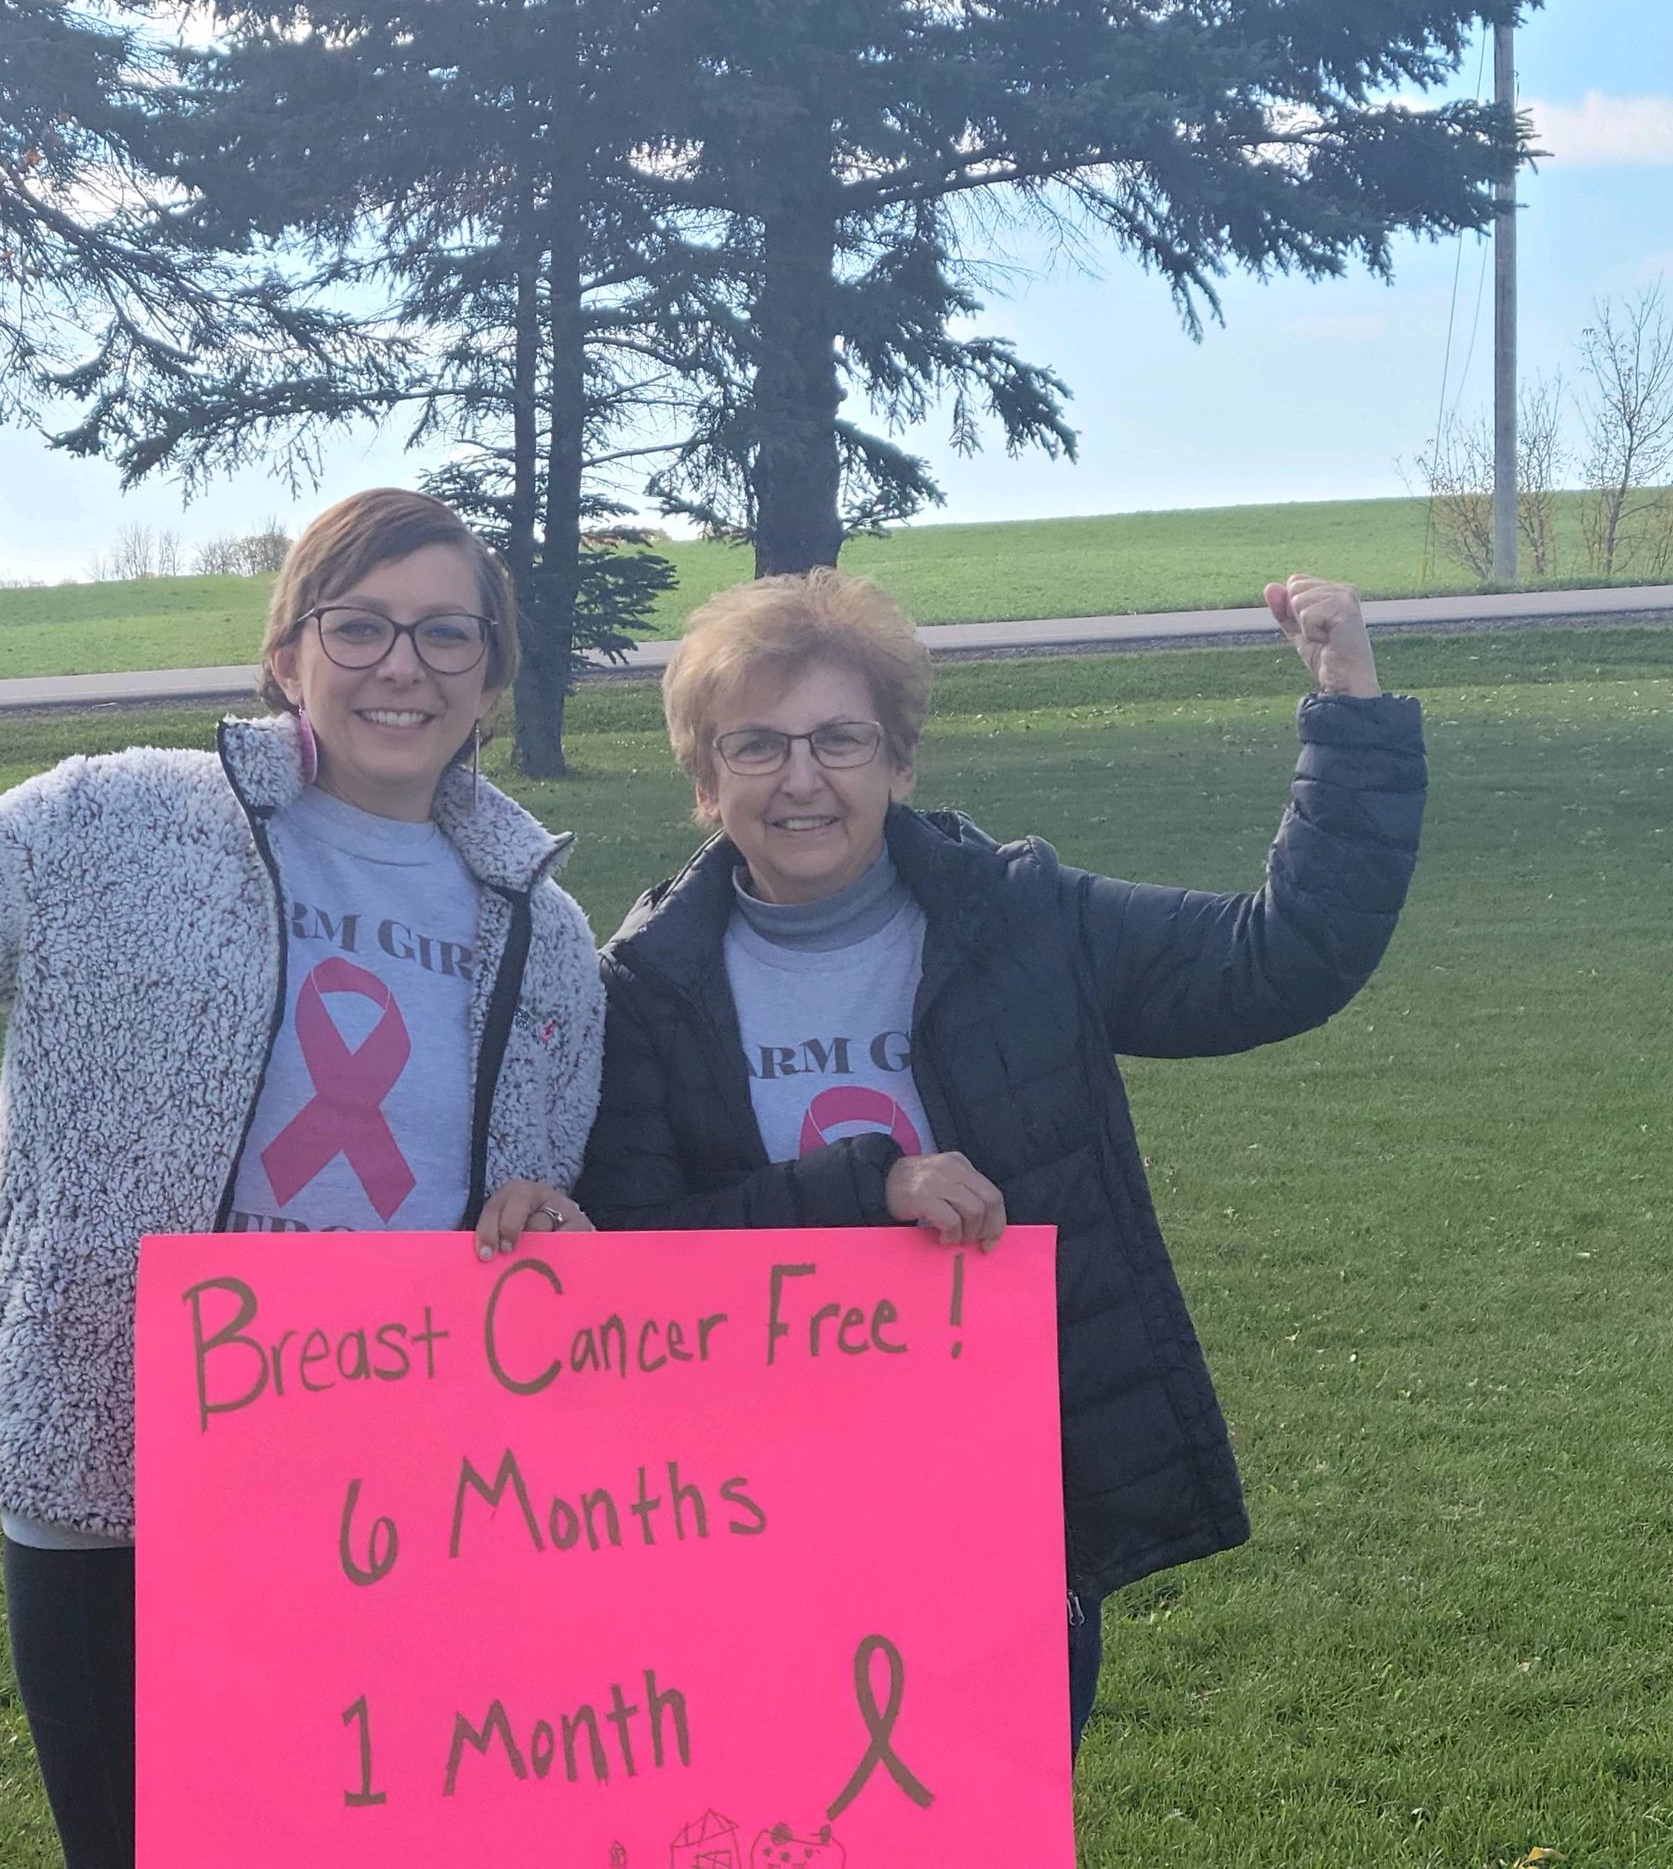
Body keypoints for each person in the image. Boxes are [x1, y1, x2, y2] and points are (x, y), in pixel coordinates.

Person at [0, 488, 605, 1867]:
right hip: (120, 1481)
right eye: (362, 627)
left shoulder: (546, 931)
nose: (404, 666)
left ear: (493, 676)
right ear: (287, 655)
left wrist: (543, 1224)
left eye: (448, 633)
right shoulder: (116, 823)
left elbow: (532, 1202)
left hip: (395, 1504)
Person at [575, 566, 1424, 1753]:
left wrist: (1350, 713)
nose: (803, 777)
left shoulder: (1027, 923)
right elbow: (631, 1256)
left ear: (900, 762)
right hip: (755, 1519)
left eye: (840, 738)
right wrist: (868, 1188)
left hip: (1000, 1514)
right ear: (705, 781)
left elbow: (1281, 958)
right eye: (756, 745)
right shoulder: (644, 989)